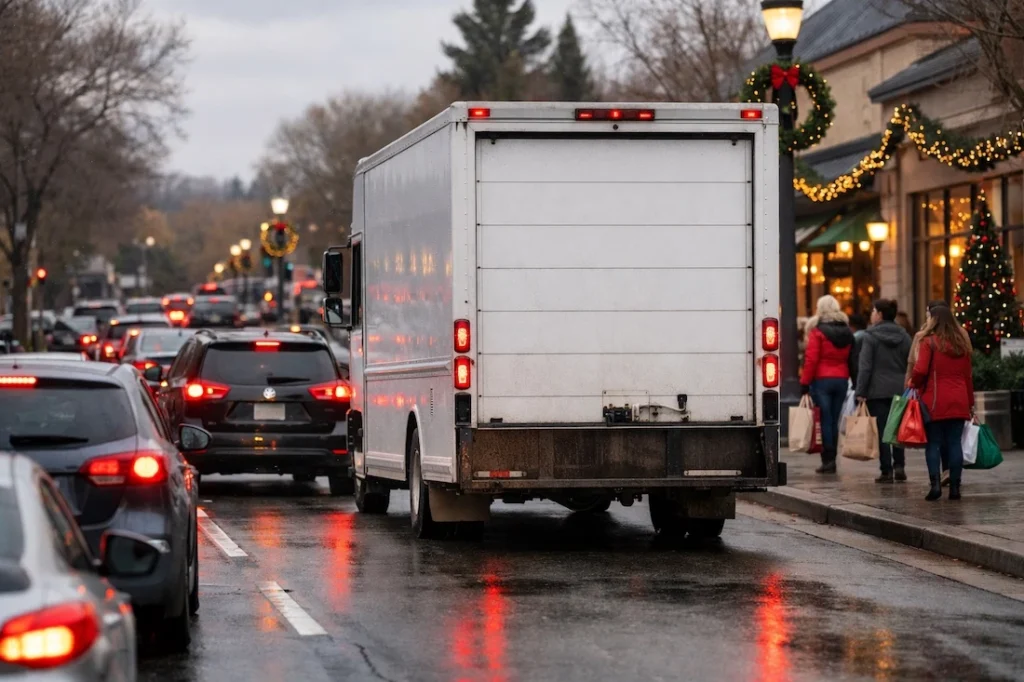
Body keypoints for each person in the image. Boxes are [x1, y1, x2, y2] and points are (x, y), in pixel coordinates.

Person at [909, 306, 974, 501]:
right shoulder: (962, 344)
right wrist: (970, 402)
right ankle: (955, 487)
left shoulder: (929, 342)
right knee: (955, 443)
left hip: (935, 400)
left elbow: (920, 370)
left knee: (933, 443)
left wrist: (914, 383)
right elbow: (968, 377)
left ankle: (935, 485)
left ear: (934, 320)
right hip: (959, 399)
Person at [855, 299, 912, 483]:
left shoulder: (870, 336)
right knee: (897, 428)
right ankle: (900, 465)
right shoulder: (904, 336)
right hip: (899, 388)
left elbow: (865, 367)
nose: (871, 314)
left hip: (876, 390)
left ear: (879, 314)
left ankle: (886, 470)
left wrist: (860, 391)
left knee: (882, 431)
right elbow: (910, 361)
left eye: (873, 311)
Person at [800, 295, 854, 474]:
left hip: (822, 380)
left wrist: (805, 382)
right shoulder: (847, 331)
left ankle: (828, 460)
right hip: (841, 380)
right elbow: (853, 358)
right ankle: (833, 458)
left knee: (824, 419)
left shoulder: (817, 332)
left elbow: (811, 359)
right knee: (834, 419)